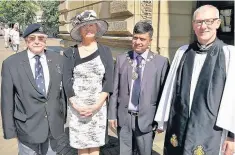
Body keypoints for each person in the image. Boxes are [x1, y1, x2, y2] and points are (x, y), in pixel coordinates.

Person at [155, 5, 235, 155]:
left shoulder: (229, 54)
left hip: (211, 130)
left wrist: (232, 136)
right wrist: (162, 120)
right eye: (198, 22)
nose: (203, 26)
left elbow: (233, 97)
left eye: (209, 21)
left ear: (218, 23)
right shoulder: (183, 52)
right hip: (180, 123)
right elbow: (170, 88)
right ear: (193, 25)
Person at [1, 23, 67, 155]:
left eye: (41, 38)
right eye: (32, 38)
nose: (37, 41)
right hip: (26, 127)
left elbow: (63, 93)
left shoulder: (59, 60)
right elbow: (7, 99)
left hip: (53, 126)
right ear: (25, 40)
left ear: (45, 40)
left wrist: (62, 117)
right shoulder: (11, 63)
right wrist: (10, 130)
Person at [108, 21, 170, 155]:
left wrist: (160, 121)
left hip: (147, 118)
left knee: (144, 152)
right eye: (135, 38)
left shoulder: (161, 62)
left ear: (150, 41)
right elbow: (114, 90)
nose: (138, 42)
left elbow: (163, 95)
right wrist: (112, 115)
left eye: (142, 39)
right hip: (124, 117)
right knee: (124, 152)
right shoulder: (121, 59)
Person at [63, 10, 114, 155]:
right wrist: (77, 106)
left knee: (95, 146)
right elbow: (66, 81)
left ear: (97, 28)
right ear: (79, 30)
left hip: (98, 107)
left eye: (92, 25)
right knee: (82, 147)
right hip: (77, 107)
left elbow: (109, 80)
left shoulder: (106, 51)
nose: (88, 28)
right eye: (84, 26)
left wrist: (96, 105)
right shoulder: (70, 53)